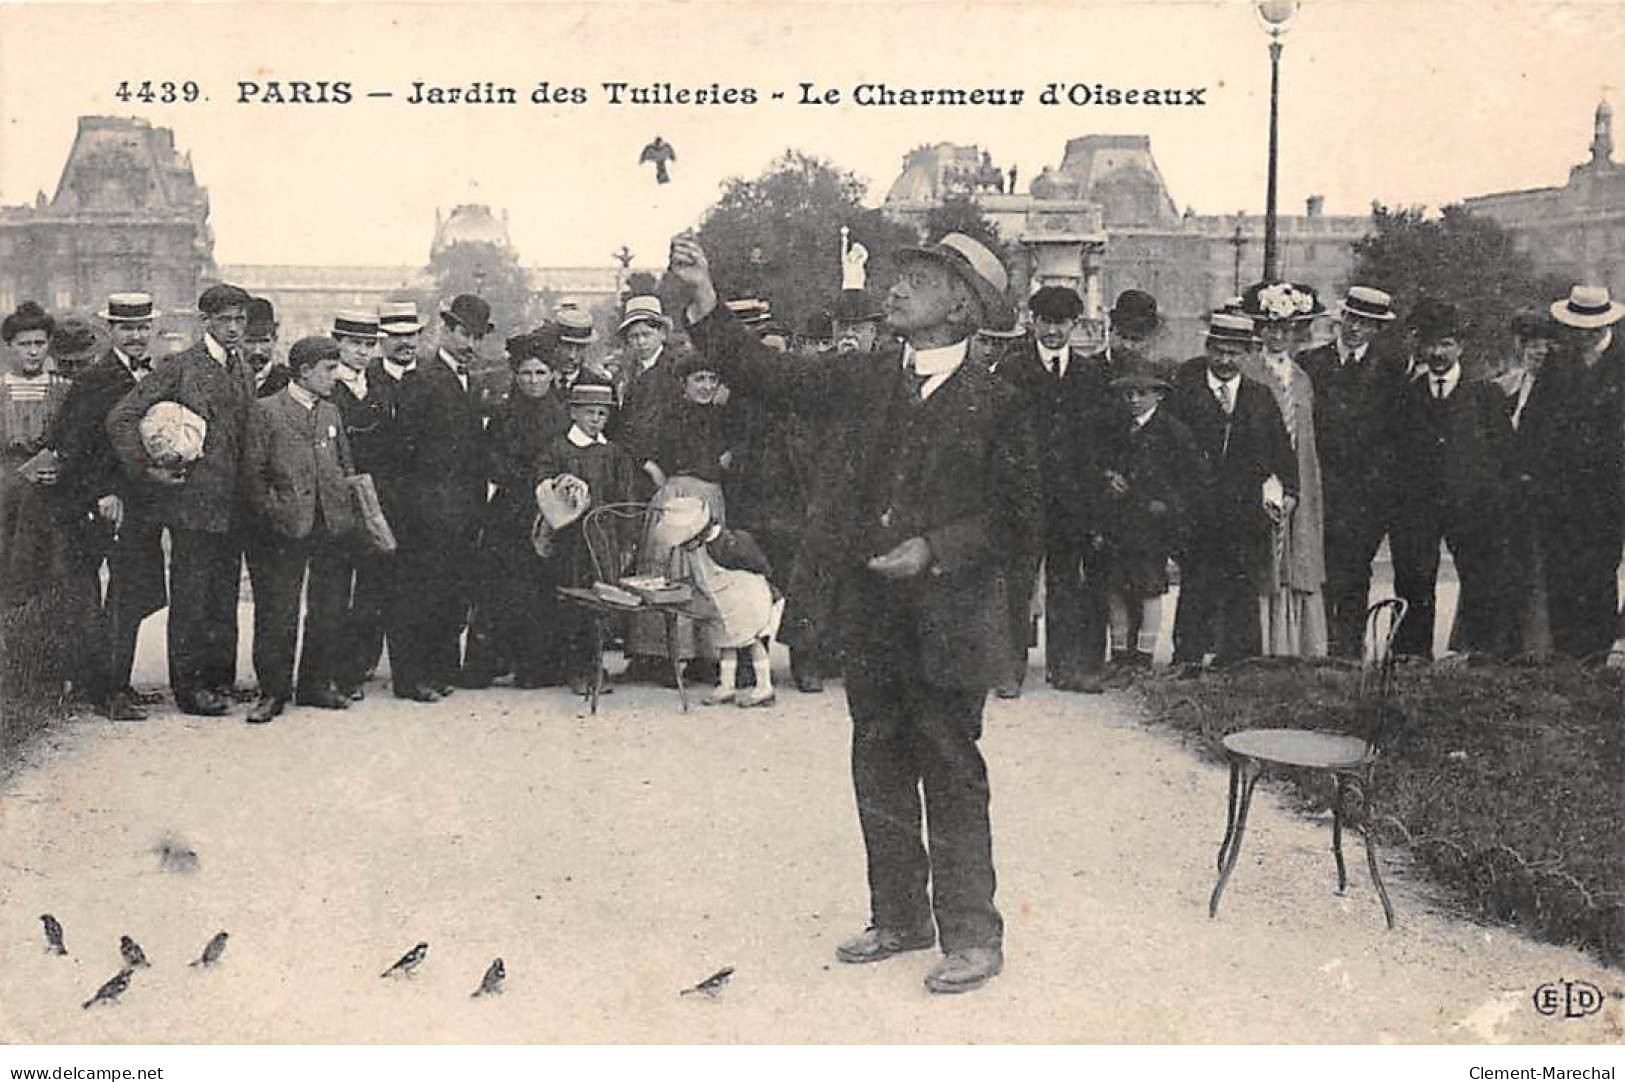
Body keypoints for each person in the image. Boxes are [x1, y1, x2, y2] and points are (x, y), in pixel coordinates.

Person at [672, 229, 1039, 996]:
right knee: (875, 755)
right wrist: (705, 299)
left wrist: (934, 548)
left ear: (961, 308)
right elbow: (769, 377)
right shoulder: (865, 377)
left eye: (918, 279)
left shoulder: (1000, 401)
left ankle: (972, 936)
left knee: (949, 764)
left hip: (948, 617)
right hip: (870, 613)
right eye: (898, 274)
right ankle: (900, 917)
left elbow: (1019, 516)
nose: (895, 286)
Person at [107, 283, 257, 716]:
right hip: (192, 503)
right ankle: (190, 690)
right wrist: (148, 467)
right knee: (192, 596)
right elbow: (122, 416)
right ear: (204, 321)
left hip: (232, 503)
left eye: (240, 320)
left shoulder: (242, 366)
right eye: (224, 321)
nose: (233, 329)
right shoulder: (182, 367)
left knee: (223, 594)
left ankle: (218, 680)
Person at [51, 293, 168, 720]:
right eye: (127, 329)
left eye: (141, 328)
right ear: (111, 331)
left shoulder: (153, 376)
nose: (136, 336)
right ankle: (106, 691)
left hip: (141, 501)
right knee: (109, 595)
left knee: (132, 589)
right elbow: (76, 446)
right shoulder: (96, 380)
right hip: (102, 504)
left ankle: (116, 681)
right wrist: (103, 492)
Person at [995, 285, 1114, 694]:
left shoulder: (1090, 374)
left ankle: (1063, 667)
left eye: (1061, 323)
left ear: (1075, 325)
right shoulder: (1011, 370)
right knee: (1017, 582)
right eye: (1044, 321)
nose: (1052, 331)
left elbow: (1096, 442)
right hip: (1021, 497)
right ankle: (1009, 669)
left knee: (1067, 583)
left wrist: (1092, 495)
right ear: (1032, 322)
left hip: (1070, 500)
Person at [1164, 313, 1297, 670]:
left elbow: (1282, 451)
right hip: (1197, 509)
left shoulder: (1259, 397)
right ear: (1207, 349)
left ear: (1246, 354)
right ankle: (1188, 656)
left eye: (1234, 353)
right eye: (1219, 352)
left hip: (1244, 511)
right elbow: (1169, 450)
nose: (1225, 361)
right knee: (1196, 582)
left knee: (1243, 583)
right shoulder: (1185, 394)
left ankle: (1240, 659)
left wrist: (1289, 490)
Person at [240, 337, 358, 724]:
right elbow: (253, 476)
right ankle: (273, 692)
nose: (334, 376)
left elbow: (344, 464)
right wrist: (274, 513)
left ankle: (316, 684)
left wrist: (343, 506)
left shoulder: (331, 412)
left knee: (329, 606)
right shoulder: (266, 411)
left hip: (329, 524)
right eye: (327, 369)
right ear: (304, 371)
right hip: (283, 528)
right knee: (278, 610)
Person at [1388, 299, 1512, 660]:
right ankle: (1411, 655)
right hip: (1418, 508)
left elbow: (1503, 455)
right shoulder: (1407, 394)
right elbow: (1395, 451)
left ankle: (1478, 654)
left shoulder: (1485, 394)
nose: (1437, 353)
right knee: (1414, 580)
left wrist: (1492, 500)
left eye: (1445, 344)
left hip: (1472, 507)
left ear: (1461, 346)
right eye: (1430, 344)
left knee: (1480, 578)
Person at [389, 294, 490, 701]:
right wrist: (417, 506)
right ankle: (410, 679)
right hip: (426, 509)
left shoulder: (471, 381)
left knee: (448, 592)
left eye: (476, 336)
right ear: (445, 330)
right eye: (463, 333)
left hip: (461, 509)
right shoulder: (422, 380)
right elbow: (404, 452)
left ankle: (438, 668)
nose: (469, 343)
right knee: (418, 593)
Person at [1298, 285, 1405, 659]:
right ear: (1340, 319)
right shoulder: (1311, 363)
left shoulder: (1393, 369)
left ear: (1377, 329)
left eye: (1366, 323)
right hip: (1322, 487)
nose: (1355, 328)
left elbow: (1395, 434)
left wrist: (1379, 487)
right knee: (1321, 568)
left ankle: (1350, 649)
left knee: (1356, 571)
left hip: (1366, 494)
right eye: (1351, 319)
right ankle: (1321, 645)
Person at [1238, 281, 1329, 659]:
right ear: (1260, 331)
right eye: (1271, 328)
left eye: (1286, 330)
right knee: (1263, 554)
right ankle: (1261, 644)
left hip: (1301, 475)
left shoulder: (1303, 377)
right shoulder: (1247, 371)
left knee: (1300, 550)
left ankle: (1298, 645)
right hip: (1262, 474)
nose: (1278, 336)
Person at [533, 382, 642, 696]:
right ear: (573, 413)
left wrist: (627, 538)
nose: (595, 419)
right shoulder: (558, 450)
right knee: (574, 601)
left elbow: (626, 498)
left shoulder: (612, 452)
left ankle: (594, 664)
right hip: (571, 541)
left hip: (604, 540)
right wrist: (560, 486)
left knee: (602, 601)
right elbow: (543, 487)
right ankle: (575, 668)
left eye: (602, 413)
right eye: (589, 413)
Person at [1098, 357, 1204, 677]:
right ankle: (1119, 654)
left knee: (1149, 588)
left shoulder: (1174, 432)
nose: (1133, 399)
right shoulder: (1115, 428)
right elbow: (1098, 460)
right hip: (1118, 520)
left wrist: (1166, 504)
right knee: (1115, 587)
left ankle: (1143, 657)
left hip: (1152, 525)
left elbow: (1194, 477)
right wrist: (1106, 476)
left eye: (1142, 393)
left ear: (1159, 395)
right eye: (1128, 393)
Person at [475, 331, 570, 687]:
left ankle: (538, 665)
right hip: (510, 508)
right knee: (503, 584)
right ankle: (499, 658)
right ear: (516, 375)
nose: (533, 381)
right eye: (526, 374)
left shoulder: (562, 416)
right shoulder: (503, 415)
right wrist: (520, 478)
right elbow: (490, 458)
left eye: (541, 373)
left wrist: (546, 483)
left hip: (549, 510)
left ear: (552, 376)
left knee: (540, 587)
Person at [1542, 285, 1625, 663]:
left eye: (1591, 328)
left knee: (1599, 569)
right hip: (1563, 490)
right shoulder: (1558, 364)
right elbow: (1539, 425)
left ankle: (1595, 654)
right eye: (1577, 328)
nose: (1584, 336)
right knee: (1561, 568)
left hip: (1611, 491)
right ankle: (1566, 654)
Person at [656, 495, 778, 707]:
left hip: (746, 598)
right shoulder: (697, 547)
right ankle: (726, 684)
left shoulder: (731, 544)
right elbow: (702, 576)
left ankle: (764, 687)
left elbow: (760, 566)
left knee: (753, 641)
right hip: (723, 603)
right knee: (726, 642)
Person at [361, 300, 421, 691]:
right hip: (377, 498)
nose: (405, 344)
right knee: (370, 585)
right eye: (396, 337)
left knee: (413, 587)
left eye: (410, 336)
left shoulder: (431, 379)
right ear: (382, 341)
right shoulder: (366, 380)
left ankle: (410, 672)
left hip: (419, 502)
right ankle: (359, 666)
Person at [245, 297, 289, 398]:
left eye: (264, 341)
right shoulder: (226, 381)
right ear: (238, 342)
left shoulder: (289, 383)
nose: (257, 351)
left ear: (275, 340)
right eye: (249, 342)